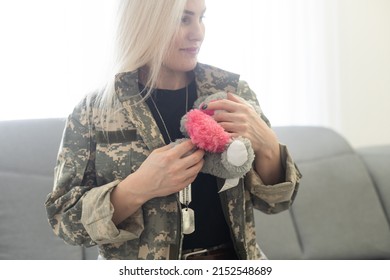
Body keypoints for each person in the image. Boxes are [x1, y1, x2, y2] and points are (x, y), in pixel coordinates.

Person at [45, 0, 301, 260]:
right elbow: (65, 222)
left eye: (202, 18)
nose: (198, 33)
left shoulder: (233, 93)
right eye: (184, 19)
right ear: (145, 23)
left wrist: (268, 146)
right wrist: (137, 188)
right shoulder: (95, 110)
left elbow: (276, 203)